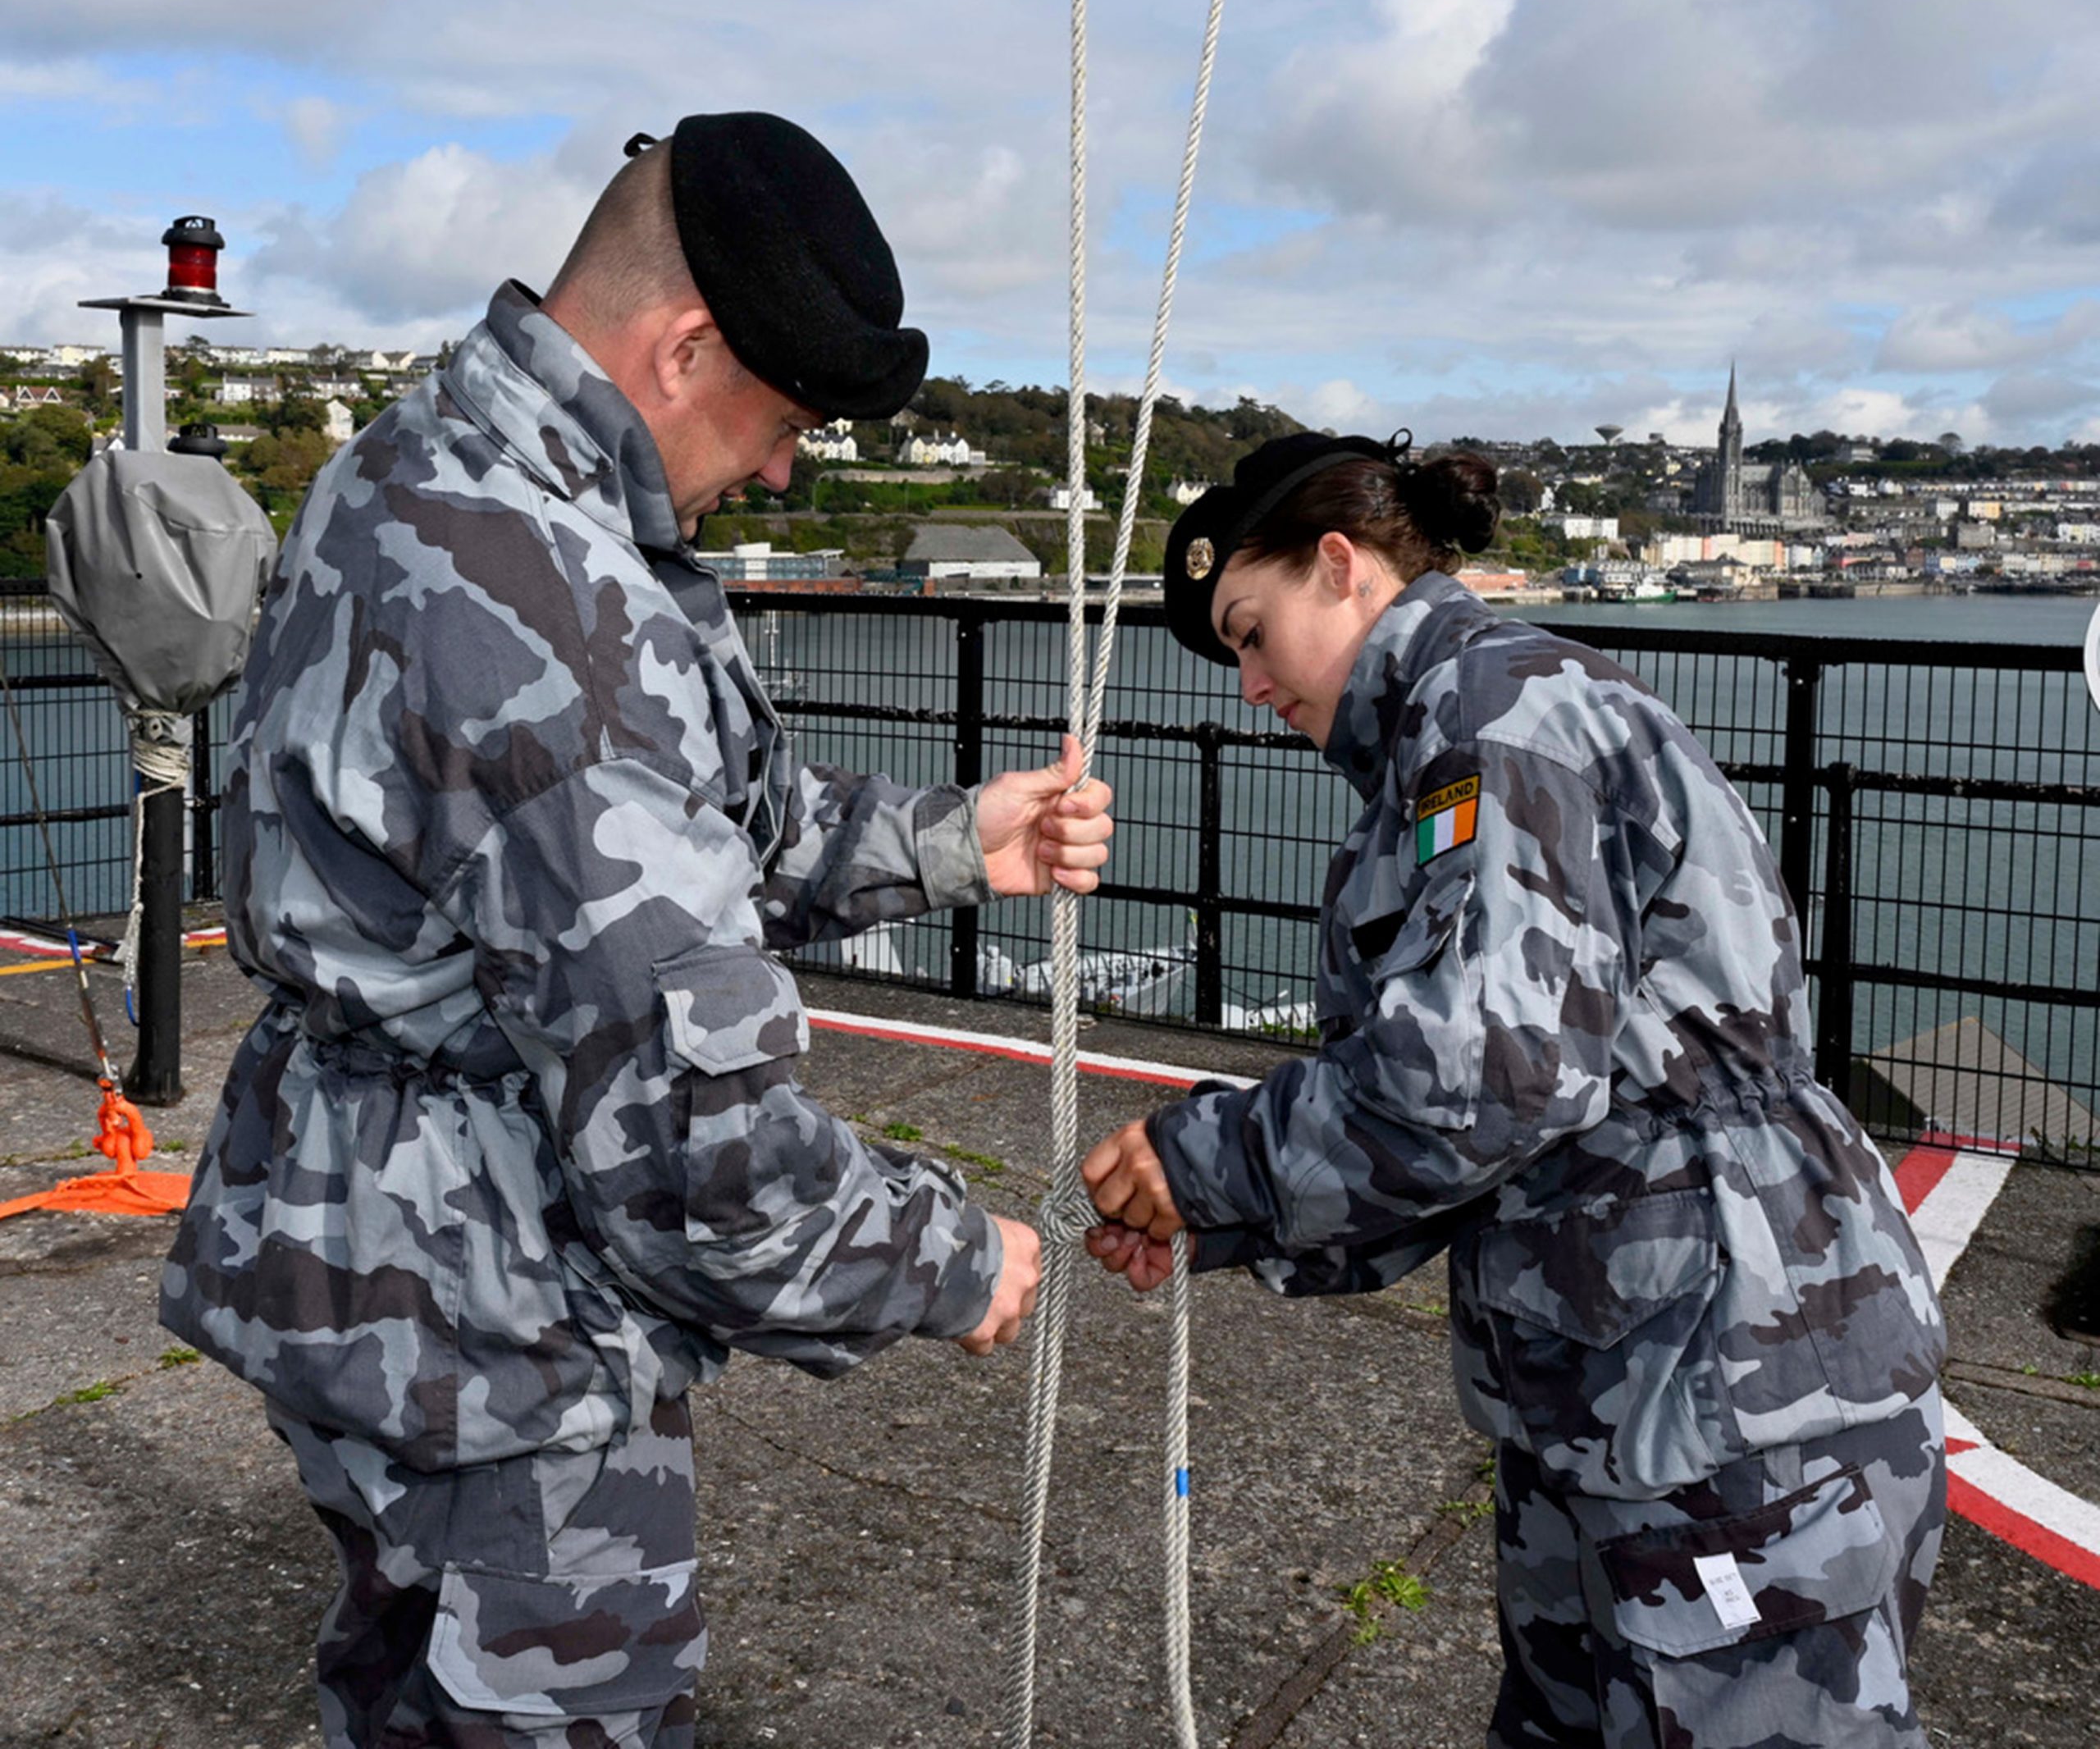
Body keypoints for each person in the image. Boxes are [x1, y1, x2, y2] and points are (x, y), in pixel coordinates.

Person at [159, 112, 1114, 1749]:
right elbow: (696, 1151)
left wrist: (960, 844)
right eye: (785, 417)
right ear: (685, 346)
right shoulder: (539, 593)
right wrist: (952, 1260)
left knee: (397, 1690)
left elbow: (668, 839)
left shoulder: (418, 469)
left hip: (351, 1253)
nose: (785, 467)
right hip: (489, 1324)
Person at [1081, 432, 1946, 1749]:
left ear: (1340, 564)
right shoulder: (1448, 743)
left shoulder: (1498, 718)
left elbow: (1491, 1075)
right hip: (1621, 1388)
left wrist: (1206, 1163)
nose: (1249, 683)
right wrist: (1229, 1218)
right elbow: (1485, 1119)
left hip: (1729, 1398)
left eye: (1252, 633)